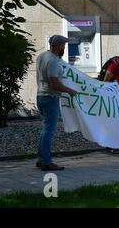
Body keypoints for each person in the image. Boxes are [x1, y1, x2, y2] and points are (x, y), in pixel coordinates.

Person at [36, 35, 77, 171]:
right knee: (49, 130)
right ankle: (47, 162)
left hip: (41, 96)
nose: (64, 48)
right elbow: (54, 83)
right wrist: (69, 90)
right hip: (50, 97)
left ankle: (41, 159)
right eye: (63, 45)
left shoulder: (42, 56)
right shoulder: (53, 61)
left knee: (45, 129)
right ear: (59, 46)